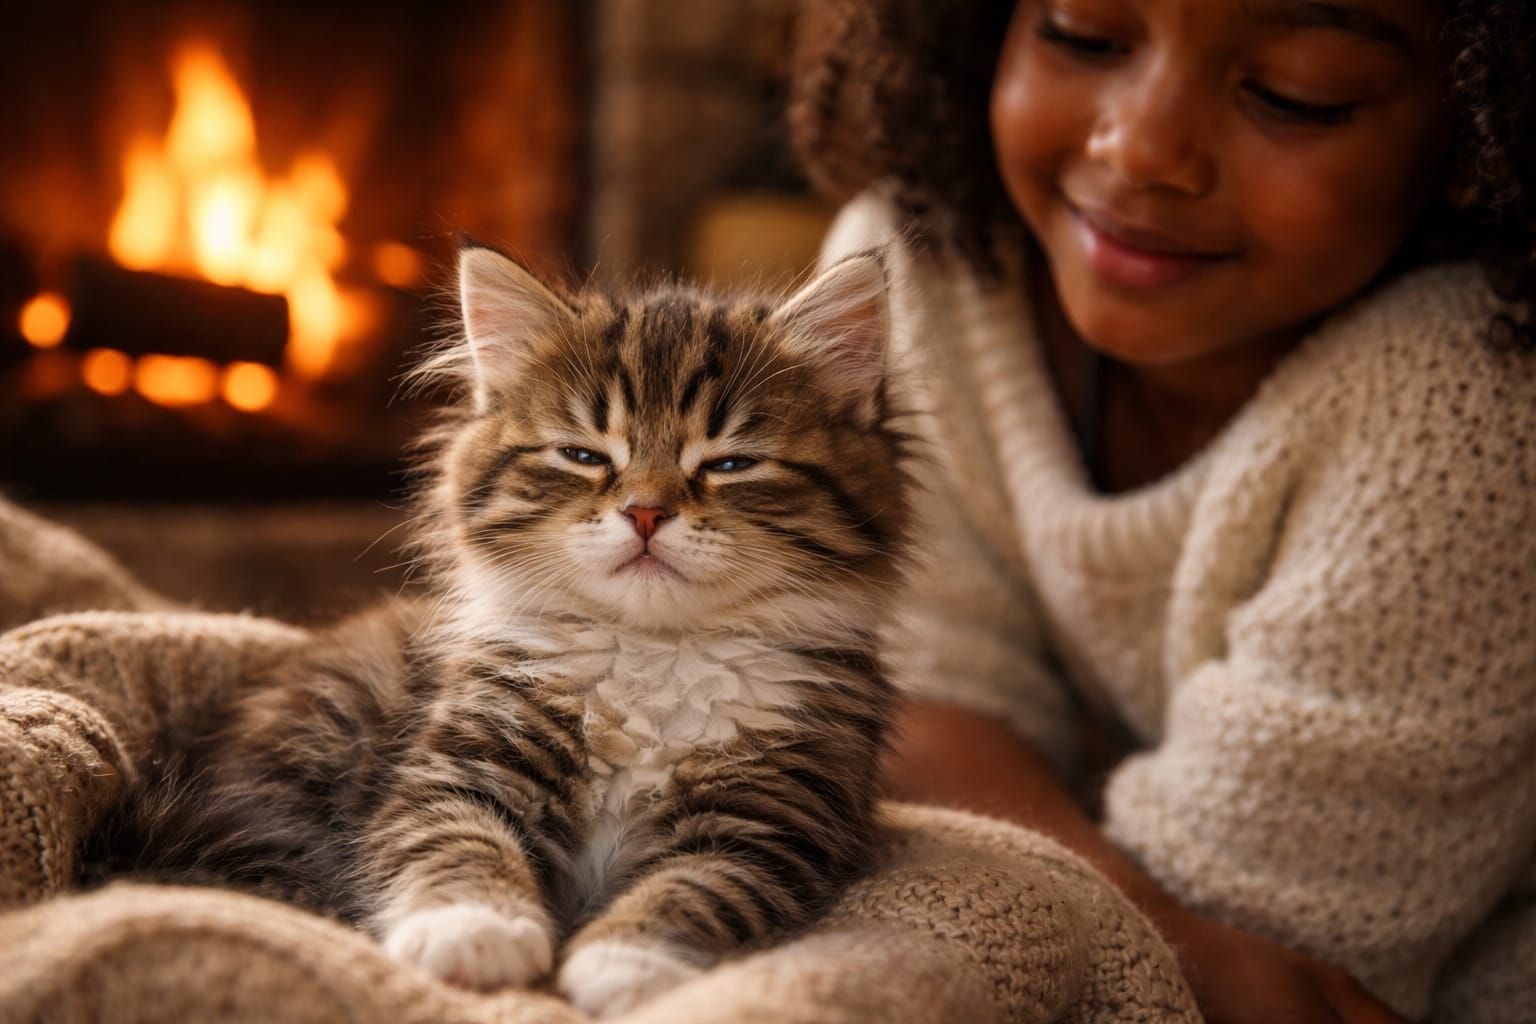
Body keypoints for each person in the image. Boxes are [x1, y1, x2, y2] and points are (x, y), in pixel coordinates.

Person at [790, 2, 1536, 1021]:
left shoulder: (1479, 402)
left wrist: (1143, 922)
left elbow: (1276, 973)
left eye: (1294, 96)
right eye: (1082, 32)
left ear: (1472, 135)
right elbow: (889, 703)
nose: (1140, 149)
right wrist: (1150, 915)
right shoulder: (921, 267)